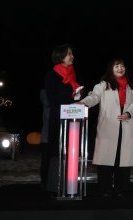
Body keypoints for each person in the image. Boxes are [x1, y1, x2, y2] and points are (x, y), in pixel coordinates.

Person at [80, 58, 133, 197]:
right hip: (108, 126)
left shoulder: (130, 87)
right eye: (117, 66)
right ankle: (105, 188)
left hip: (125, 126)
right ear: (111, 69)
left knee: (123, 159)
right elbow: (94, 97)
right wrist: (83, 103)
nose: (120, 68)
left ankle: (122, 188)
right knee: (106, 159)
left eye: (122, 66)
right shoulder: (103, 85)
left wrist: (129, 113)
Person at [43, 44, 83, 193]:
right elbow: (51, 98)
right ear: (60, 57)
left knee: (70, 152)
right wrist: (72, 95)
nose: (72, 56)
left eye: (72, 54)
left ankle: (69, 186)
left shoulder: (73, 74)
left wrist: (79, 96)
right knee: (56, 152)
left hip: (72, 120)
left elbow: (74, 95)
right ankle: (54, 187)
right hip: (58, 118)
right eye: (69, 54)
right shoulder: (51, 75)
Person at [38, 88, 50, 187]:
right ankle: (45, 181)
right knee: (46, 159)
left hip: (58, 134)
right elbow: (47, 102)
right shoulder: (45, 92)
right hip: (47, 135)